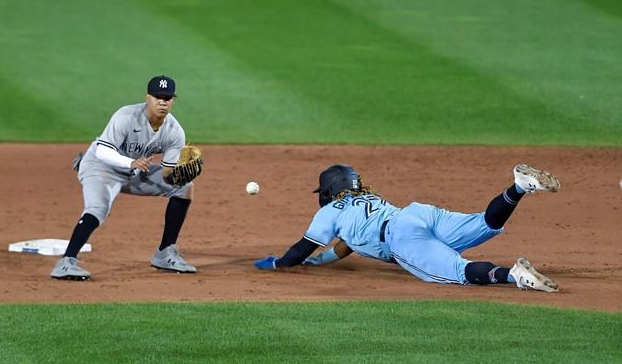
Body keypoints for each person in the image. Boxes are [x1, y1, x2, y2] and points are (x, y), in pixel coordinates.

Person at [254, 163, 560, 292]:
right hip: (418, 215)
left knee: (456, 271)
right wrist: (320, 261)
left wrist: (279, 263)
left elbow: (301, 248)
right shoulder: (367, 199)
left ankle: (514, 275)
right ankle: (519, 187)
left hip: (402, 238)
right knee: (484, 222)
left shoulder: (331, 211)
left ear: (330, 189)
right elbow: (347, 245)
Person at [51, 75, 202, 280]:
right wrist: (130, 163)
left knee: (184, 188)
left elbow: (167, 174)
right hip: (100, 166)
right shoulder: (126, 116)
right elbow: (103, 151)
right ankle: (66, 262)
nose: (162, 102)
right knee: (98, 208)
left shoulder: (174, 132)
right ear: (147, 97)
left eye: (167, 98)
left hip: (134, 171)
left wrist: (178, 175)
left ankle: (165, 253)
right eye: (157, 96)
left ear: (173, 100)